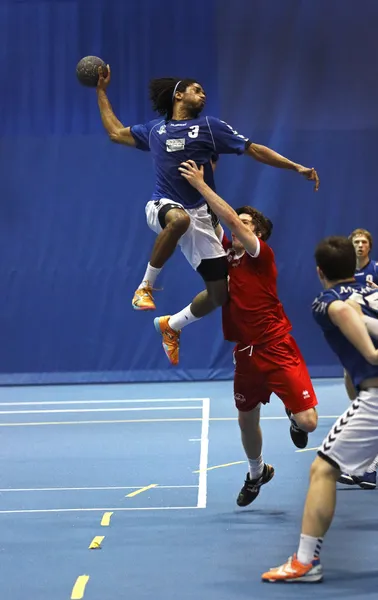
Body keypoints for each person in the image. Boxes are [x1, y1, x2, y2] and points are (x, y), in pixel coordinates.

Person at [96, 68, 319, 360]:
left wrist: (295, 166)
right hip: (162, 206)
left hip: (200, 216)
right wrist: (101, 90)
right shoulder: (154, 130)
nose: (203, 95)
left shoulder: (210, 128)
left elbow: (255, 150)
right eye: (196, 90)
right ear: (179, 95)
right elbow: (115, 132)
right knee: (179, 219)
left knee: (219, 294)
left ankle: (172, 325)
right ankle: (145, 287)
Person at [157, 160, 318, 507]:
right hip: (245, 352)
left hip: (277, 346)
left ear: (257, 234)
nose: (238, 226)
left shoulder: (262, 255)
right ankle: (257, 472)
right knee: (247, 423)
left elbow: (227, 217)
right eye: (240, 222)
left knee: (309, 423)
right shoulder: (225, 256)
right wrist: (202, 176)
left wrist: (201, 184)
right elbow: (214, 223)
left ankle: (294, 416)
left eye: (247, 224)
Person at [261, 236, 378, 583]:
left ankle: (305, 561)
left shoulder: (327, 303)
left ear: (319, 271)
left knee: (323, 469)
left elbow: (362, 340)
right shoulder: (370, 291)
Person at [338, 228, 378, 489]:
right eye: (356, 242)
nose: (360, 245)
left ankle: (370, 468)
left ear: (369, 247)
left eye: (364, 242)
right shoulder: (344, 274)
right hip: (357, 337)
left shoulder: (376, 270)